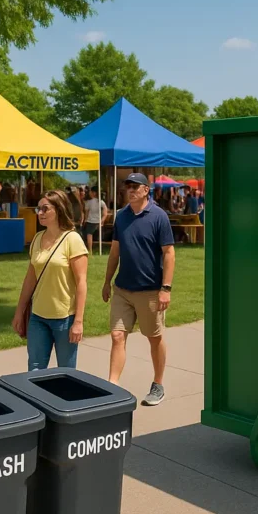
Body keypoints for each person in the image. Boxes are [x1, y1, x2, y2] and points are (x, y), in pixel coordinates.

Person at [103, 172, 175, 406]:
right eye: (128, 187)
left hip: (150, 290)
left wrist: (166, 288)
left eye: (136, 186)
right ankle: (113, 386)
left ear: (146, 190)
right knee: (117, 336)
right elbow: (115, 252)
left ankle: (158, 384)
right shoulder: (121, 217)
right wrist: (106, 281)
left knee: (154, 338)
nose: (131, 190)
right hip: (123, 289)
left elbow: (169, 253)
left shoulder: (159, 217)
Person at [12, 190, 88, 370]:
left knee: (66, 373)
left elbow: (82, 283)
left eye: (45, 209)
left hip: (65, 318)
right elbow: (30, 279)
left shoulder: (72, 239)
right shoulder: (37, 238)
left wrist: (78, 321)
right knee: (35, 370)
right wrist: (19, 311)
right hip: (38, 317)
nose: (40, 213)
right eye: (38, 209)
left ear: (59, 209)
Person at [83, 186, 109, 253]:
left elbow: (86, 213)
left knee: (89, 235)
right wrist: (102, 221)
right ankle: (98, 249)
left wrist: (85, 220)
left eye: (90, 192)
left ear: (93, 193)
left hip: (90, 221)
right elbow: (105, 213)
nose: (89, 193)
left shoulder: (88, 202)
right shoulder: (101, 202)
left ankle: (90, 250)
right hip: (98, 221)